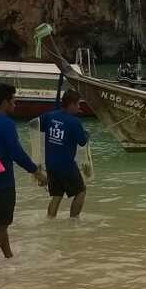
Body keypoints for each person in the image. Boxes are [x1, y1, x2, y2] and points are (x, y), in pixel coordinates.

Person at [0, 83, 47, 263]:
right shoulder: (6, 124)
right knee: (1, 225)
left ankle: (8, 257)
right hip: (2, 183)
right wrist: (36, 171)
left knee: (0, 223)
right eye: (14, 101)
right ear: (5, 102)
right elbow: (17, 153)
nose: (15, 104)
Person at [40, 89, 89, 219]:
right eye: (78, 104)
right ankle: (73, 221)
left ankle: (49, 220)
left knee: (57, 195)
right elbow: (82, 142)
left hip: (50, 164)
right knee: (81, 192)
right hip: (66, 165)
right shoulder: (74, 122)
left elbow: (36, 125)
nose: (79, 107)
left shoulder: (48, 116)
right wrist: (86, 134)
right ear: (71, 104)